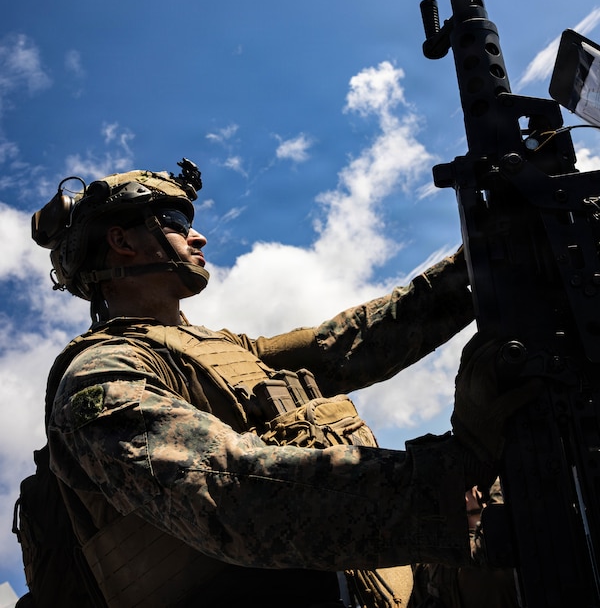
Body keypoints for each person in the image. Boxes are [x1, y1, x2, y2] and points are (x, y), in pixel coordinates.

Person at [28, 159, 531, 608]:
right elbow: (224, 491)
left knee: (541, 490)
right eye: (178, 223)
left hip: (397, 585)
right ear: (122, 241)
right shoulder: (100, 372)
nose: (198, 237)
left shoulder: (224, 349)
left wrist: (480, 266)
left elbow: (349, 343)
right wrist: (443, 484)